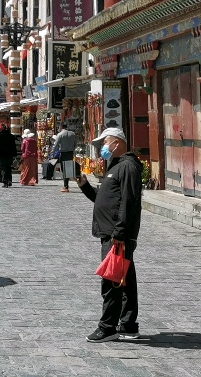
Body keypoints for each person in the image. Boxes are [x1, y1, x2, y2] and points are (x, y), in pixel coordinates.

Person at [79, 127, 144, 343]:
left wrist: (120, 231)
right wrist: (84, 186)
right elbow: (104, 199)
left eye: (105, 142)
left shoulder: (127, 166)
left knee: (112, 280)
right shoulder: (115, 166)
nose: (103, 147)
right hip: (112, 232)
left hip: (117, 235)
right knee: (124, 280)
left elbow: (129, 202)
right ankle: (127, 324)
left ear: (117, 142)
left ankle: (107, 326)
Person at [52, 123, 79, 193]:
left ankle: (66, 186)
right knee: (68, 168)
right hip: (70, 153)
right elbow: (76, 144)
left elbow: (55, 145)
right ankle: (67, 184)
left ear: (61, 127)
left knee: (64, 169)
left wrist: (52, 154)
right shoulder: (72, 134)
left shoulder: (60, 134)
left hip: (63, 153)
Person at [0, 124, 17, 188]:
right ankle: (9, 180)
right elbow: (13, 146)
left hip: (1, 155)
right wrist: (14, 155)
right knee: (9, 167)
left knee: (3, 168)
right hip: (9, 154)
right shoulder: (11, 136)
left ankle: (5, 181)